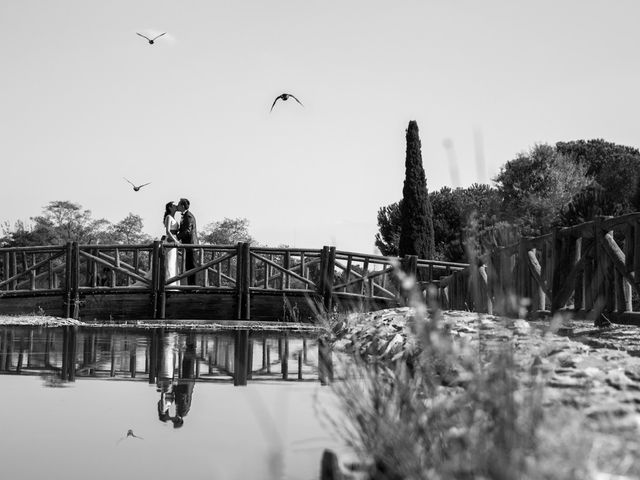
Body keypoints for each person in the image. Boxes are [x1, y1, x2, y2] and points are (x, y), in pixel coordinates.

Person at [176, 198, 199, 285]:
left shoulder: (188, 216)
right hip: (188, 244)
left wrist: (176, 237)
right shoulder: (185, 216)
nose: (177, 206)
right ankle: (191, 286)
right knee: (188, 267)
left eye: (178, 205)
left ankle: (193, 287)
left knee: (192, 266)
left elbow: (187, 231)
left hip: (191, 245)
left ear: (182, 206)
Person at [163, 202, 180, 286]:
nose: (176, 206)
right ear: (170, 208)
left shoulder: (174, 218)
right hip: (170, 241)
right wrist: (175, 240)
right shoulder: (168, 217)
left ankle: (173, 283)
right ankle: (168, 284)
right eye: (174, 205)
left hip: (175, 240)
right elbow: (168, 231)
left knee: (173, 262)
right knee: (169, 261)